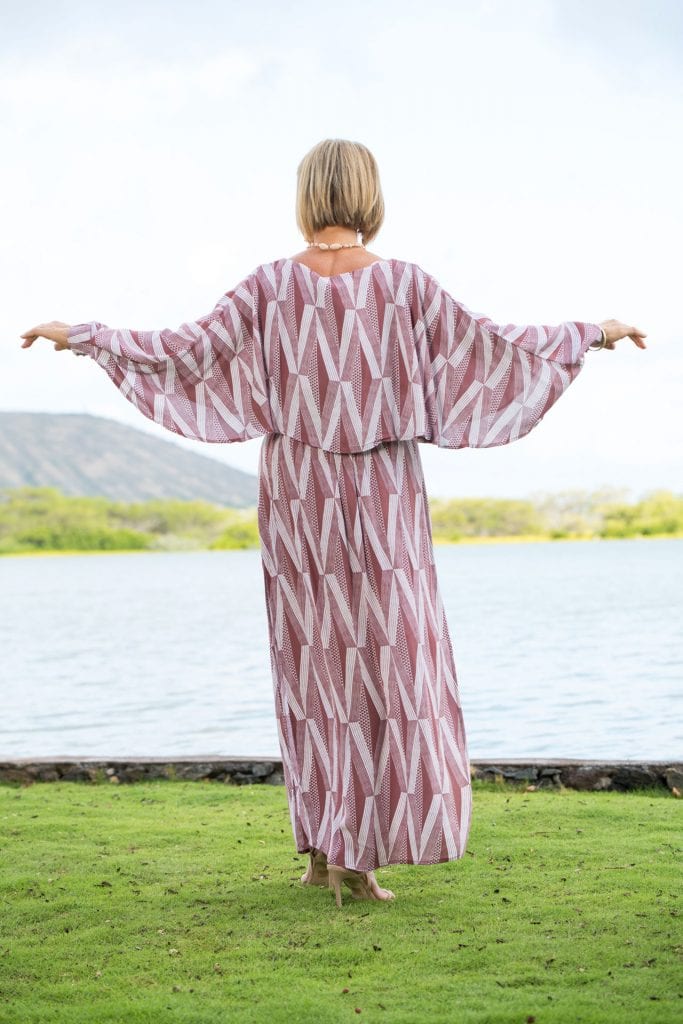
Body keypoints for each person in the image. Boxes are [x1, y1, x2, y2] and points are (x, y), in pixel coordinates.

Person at [20, 137, 647, 908]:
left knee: (312, 663)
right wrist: (592, 332)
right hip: (380, 484)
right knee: (388, 664)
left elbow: (178, 352)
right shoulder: (406, 285)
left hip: (296, 490)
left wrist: (84, 335)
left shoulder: (267, 287)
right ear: (369, 197)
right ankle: (351, 857)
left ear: (306, 196)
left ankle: (325, 848)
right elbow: (495, 345)